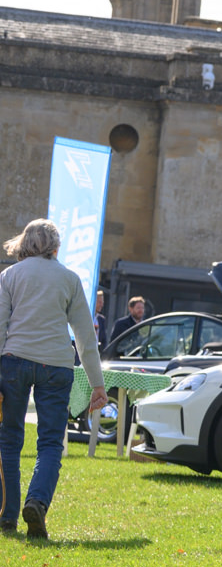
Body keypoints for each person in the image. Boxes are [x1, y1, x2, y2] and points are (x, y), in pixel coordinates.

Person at [0, 219, 107, 538]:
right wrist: (97, 384)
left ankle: (6, 515)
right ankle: (37, 502)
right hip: (57, 365)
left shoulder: (9, 276)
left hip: (14, 361)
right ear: (56, 247)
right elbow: (85, 337)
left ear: (24, 244)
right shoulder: (70, 279)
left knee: (9, 440)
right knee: (49, 443)